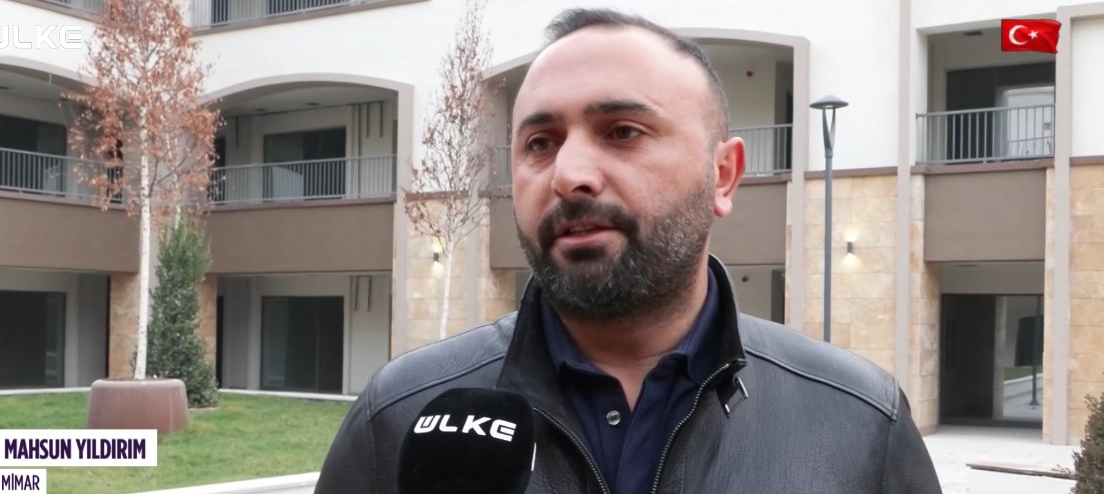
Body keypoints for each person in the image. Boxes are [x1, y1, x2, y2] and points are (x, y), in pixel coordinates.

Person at [315, 7, 943, 493]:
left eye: (622, 132)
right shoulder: (397, 415)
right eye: (540, 143)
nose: (569, 174)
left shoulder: (861, 422)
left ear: (723, 175)